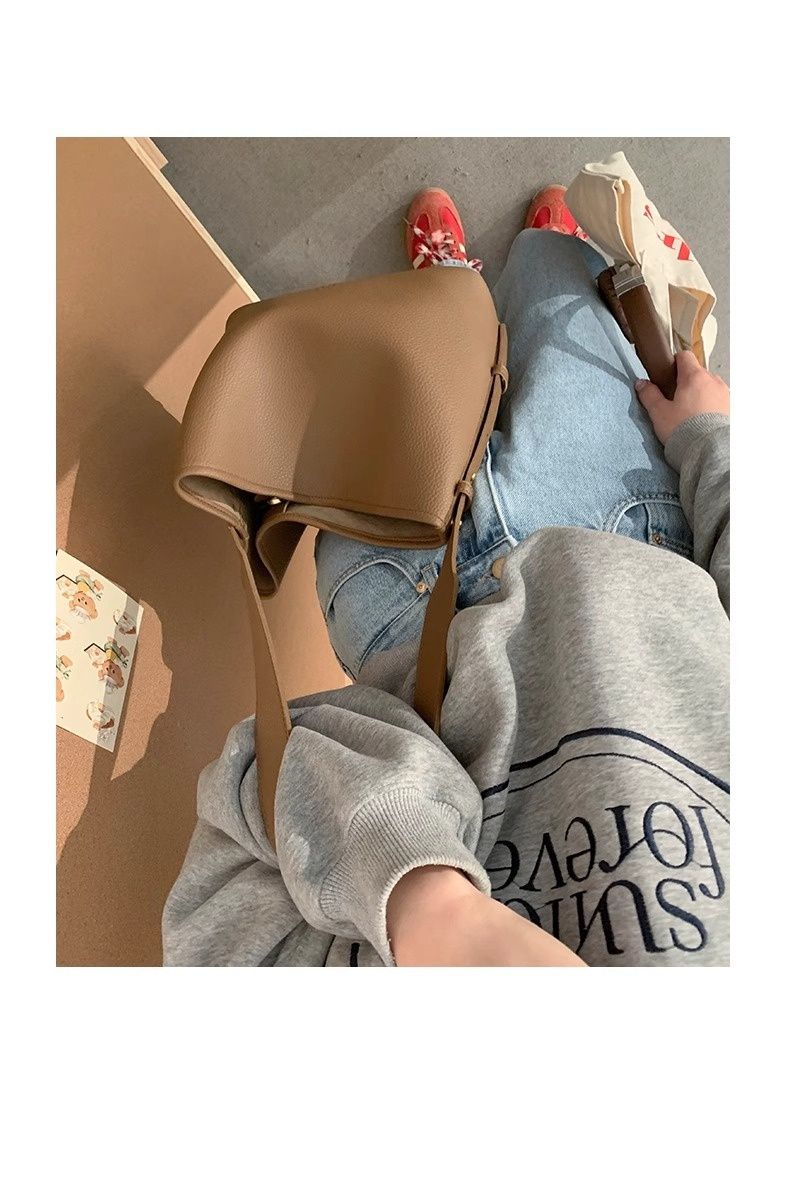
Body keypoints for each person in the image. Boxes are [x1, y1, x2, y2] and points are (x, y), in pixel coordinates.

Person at [163, 184, 730, 967]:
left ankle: (452, 304)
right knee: (553, 268)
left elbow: (247, 825)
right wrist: (712, 443)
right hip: (630, 524)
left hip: (408, 608)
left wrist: (424, 901)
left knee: (415, 352)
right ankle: (478, 302)